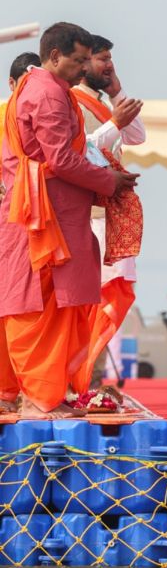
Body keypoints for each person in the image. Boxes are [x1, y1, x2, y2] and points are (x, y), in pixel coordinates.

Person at [0, 23, 139, 418]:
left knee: (54, 307)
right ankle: (39, 400)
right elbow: (60, 159)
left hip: (49, 213)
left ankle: (40, 394)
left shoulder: (47, 89)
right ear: (55, 56)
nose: (84, 68)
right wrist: (107, 181)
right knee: (38, 309)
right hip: (46, 218)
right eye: (78, 60)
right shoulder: (47, 94)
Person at [71, 34, 146, 383]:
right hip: (89, 216)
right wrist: (113, 120)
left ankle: (92, 380)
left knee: (110, 300)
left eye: (110, 58)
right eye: (102, 59)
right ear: (84, 63)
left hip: (109, 215)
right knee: (91, 302)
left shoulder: (103, 101)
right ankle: (81, 380)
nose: (109, 65)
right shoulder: (73, 101)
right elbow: (78, 150)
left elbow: (137, 137)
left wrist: (117, 93)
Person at [0, 52, 42, 412]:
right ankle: (18, 392)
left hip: (21, 219)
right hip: (18, 221)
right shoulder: (16, 114)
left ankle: (13, 392)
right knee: (19, 307)